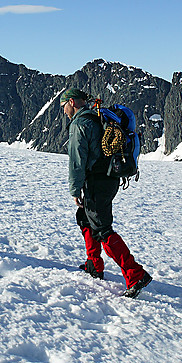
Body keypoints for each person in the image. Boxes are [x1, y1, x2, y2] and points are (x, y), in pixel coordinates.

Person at [61, 89, 152, 298]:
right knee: (85, 217)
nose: (64, 111)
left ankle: (135, 274)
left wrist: (75, 189)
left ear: (72, 102)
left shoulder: (80, 124)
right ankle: (94, 264)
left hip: (97, 180)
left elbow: (77, 161)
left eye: (64, 105)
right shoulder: (96, 117)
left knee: (102, 227)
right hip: (110, 178)